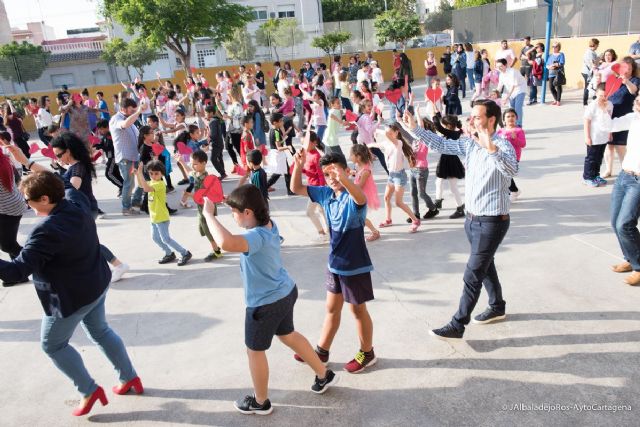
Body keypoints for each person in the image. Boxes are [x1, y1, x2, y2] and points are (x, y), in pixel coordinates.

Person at [0, 170, 142, 416]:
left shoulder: (46, 230)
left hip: (71, 298)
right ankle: (129, 377)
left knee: (53, 345)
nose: (26, 204)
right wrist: (26, 163)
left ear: (45, 199)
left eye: (28, 199)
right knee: (101, 331)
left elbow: (16, 271)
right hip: (96, 283)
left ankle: (89, 390)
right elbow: (64, 182)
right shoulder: (76, 202)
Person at [202, 185, 339, 415]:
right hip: (285, 292)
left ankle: (260, 402)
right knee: (288, 335)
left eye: (234, 212)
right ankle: (323, 374)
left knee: (254, 351)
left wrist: (208, 215)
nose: (232, 217)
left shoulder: (256, 237)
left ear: (248, 212)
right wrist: (233, 200)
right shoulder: (268, 224)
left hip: (265, 304)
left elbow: (226, 243)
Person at [400, 99, 518, 340]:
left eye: (477, 117)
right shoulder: (470, 144)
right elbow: (442, 144)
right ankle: (497, 306)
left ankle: (457, 324)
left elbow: (511, 169)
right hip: (472, 220)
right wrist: (415, 129)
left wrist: (490, 148)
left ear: (491, 120)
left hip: (492, 221)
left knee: (473, 273)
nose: (471, 120)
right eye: (471, 116)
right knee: (485, 265)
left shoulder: (502, 144)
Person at [290, 151, 377, 374]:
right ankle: (322, 351)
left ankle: (367, 352)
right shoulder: (325, 194)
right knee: (331, 308)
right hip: (335, 264)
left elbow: (361, 198)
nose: (332, 178)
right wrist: (298, 165)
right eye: (327, 174)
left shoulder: (353, 196)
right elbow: (296, 188)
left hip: (354, 265)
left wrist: (344, 179)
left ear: (347, 171)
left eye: (335, 172)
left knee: (357, 310)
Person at [602, 93, 640, 285]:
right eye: (638, 98)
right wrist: (603, 109)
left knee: (625, 224)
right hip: (624, 176)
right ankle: (630, 258)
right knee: (615, 221)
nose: (637, 101)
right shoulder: (633, 118)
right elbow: (608, 126)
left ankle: (639, 267)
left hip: (638, 181)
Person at [135, 161, 192, 266]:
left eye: (156, 173)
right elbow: (141, 185)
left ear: (162, 174)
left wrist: (140, 173)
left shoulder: (160, 184)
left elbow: (146, 188)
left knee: (166, 239)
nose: (153, 176)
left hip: (161, 217)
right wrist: (138, 174)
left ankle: (185, 253)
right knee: (155, 238)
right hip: (154, 218)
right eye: (151, 173)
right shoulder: (152, 182)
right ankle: (169, 253)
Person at [376, 123, 421, 233]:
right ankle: (388, 220)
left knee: (398, 202)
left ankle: (415, 220)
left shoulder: (398, 143)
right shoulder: (388, 144)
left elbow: (387, 135)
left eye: (391, 133)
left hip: (399, 176)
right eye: (388, 133)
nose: (388, 135)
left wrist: (378, 130)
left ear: (396, 133)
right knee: (386, 198)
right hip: (391, 175)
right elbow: (375, 144)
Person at [604, 57, 640, 178]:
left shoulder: (635, 80)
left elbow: (633, 90)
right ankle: (608, 170)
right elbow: (606, 93)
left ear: (633, 69)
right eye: (624, 68)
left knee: (620, 147)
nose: (626, 70)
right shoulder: (614, 79)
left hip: (624, 117)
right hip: (610, 115)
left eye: (629, 68)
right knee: (609, 146)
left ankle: (625, 172)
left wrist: (626, 81)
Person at [110, 97, 144, 215]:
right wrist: (138, 112)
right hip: (125, 157)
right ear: (123, 109)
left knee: (142, 179)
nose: (133, 112)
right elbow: (125, 124)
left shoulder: (131, 118)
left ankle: (136, 202)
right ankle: (126, 207)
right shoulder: (116, 119)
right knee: (129, 183)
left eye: (135, 109)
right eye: (131, 110)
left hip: (135, 155)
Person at [0, 148, 28, 287]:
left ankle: (38, 260)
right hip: (14, 204)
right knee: (9, 242)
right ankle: (19, 273)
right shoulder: (3, 159)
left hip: (7, 209)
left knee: (7, 245)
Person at [431, 113, 466, 219]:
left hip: (451, 162)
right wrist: (437, 114)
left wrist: (434, 116)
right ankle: (438, 201)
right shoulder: (454, 132)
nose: (444, 126)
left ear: (448, 125)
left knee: (453, 187)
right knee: (439, 182)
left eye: (445, 124)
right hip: (445, 160)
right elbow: (440, 127)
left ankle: (460, 209)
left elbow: (438, 127)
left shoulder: (453, 133)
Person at [582, 84, 612, 188]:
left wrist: (610, 133)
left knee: (599, 158)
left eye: (605, 95)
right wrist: (587, 137)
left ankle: (595, 175)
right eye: (600, 95)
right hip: (594, 137)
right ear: (596, 94)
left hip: (603, 137)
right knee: (591, 158)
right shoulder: (592, 106)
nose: (603, 98)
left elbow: (610, 120)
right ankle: (587, 178)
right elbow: (586, 121)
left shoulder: (610, 104)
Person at [301, 132, 328, 242]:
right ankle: (328, 232)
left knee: (309, 212)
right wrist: (299, 168)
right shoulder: (307, 153)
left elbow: (321, 175)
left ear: (314, 143)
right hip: (312, 187)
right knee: (321, 211)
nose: (303, 145)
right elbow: (310, 171)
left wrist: (321, 190)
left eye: (306, 142)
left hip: (316, 189)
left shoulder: (317, 156)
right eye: (302, 143)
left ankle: (322, 233)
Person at [350, 144, 381, 242]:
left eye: (351, 155)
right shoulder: (358, 165)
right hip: (358, 195)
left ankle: (375, 232)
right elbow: (357, 174)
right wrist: (353, 173)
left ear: (358, 157)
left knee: (360, 216)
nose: (350, 157)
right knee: (356, 215)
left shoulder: (366, 171)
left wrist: (348, 186)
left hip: (363, 196)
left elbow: (360, 186)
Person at [497, 108, 527, 200]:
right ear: (504, 119)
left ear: (516, 118)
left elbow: (523, 144)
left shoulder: (519, 131)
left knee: (506, 173)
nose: (510, 118)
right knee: (503, 173)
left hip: (513, 157)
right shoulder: (500, 131)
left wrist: (515, 139)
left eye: (513, 116)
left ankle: (514, 191)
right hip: (501, 156)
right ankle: (512, 190)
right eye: (508, 116)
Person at [496, 58, 527, 127]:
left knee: (518, 107)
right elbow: (499, 86)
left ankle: (519, 125)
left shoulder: (513, 72)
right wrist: (494, 93)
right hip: (511, 91)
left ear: (505, 65)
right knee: (512, 108)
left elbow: (514, 86)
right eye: (497, 66)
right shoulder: (501, 74)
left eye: (501, 66)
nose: (499, 68)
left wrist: (506, 97)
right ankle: (512, 124)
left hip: (520, 89)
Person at [94, 119, 123, 196]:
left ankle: (122, 186)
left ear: (107, 127)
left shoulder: (110, 135)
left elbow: (110, 147)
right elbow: (103, 145)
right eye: (99, 129)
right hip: (110, 157)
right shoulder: (105, 136)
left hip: (113, 157)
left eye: (101, 129)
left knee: (109, 174)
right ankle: (123, 186)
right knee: (115, 173)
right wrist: (96, 145)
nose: (100, 131)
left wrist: (100, 146)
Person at [547, 41, 566, 106]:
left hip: (558, 73)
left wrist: (554, 64)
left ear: (559, 47)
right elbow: (547, 64)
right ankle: (555, 99)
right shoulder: (550, 55)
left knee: (558, 86)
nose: (554, 48)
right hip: (551, 73)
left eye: (556, 46)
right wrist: (549, 67)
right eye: (553, 46)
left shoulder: (561, 54)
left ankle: (558, 101)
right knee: (551, 87)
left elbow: (562, 63)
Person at [582, 39, 600, 106]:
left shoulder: (592, 52)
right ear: (595, 44)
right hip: (588, 72)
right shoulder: (590, 53)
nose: (598, 46)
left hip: (588, 71)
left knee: (592, 86)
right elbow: (593, 64)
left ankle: (593, 101)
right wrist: (599, 58)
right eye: (597, 45)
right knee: (589, 87)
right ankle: (585, 103)